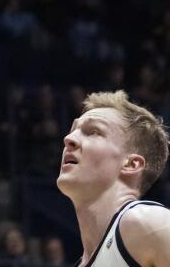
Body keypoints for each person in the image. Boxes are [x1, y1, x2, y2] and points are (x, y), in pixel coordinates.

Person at [57, 90, 170, 265]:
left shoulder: (148, 222)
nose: (68, 139)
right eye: (73, 130)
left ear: (131, 164)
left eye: (94, 132)